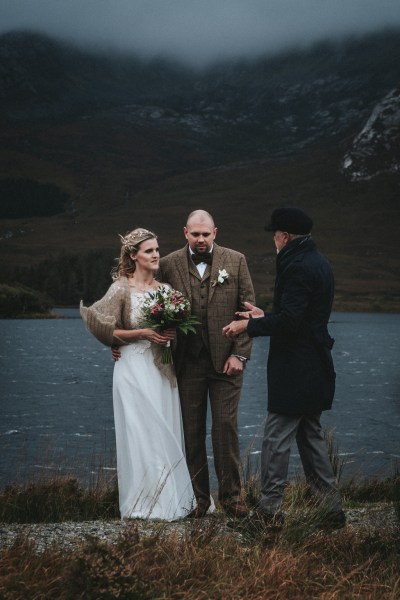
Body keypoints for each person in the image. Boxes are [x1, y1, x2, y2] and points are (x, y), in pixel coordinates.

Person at [222, 207, 345, 530]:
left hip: (297, 367)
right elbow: (298, 316)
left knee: (276, 439)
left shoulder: (299, 266)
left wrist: (245, 327)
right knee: (311, 437)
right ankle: (331, 510)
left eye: (274, 234)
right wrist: (263, 317)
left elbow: (291, 322)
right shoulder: (315, 260)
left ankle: (268, 512)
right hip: (313, 364)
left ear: (285, 237)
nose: (273, 239)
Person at [80, 228, 195, 521]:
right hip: (132, 369)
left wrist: (170, 333)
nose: (156, 255)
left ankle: (171, 502)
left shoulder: (166, 291)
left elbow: (176, 332)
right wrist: (137, 334)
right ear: (133, 256)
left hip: (161, 371)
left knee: (163, 431)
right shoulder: (121, 288)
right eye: (148, 251)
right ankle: (143, 504)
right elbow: (104, 327)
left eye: (157, 249)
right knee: (140, 434)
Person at [158, 210, 255, 518]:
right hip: (187, 363)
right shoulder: (168, 264)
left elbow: (248, 313)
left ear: (216, 233)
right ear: (185, 232)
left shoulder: (236, 260)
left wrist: (239, 354)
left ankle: (232, 499)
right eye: (195, 234)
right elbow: (153, 306)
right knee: (191, 430)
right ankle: (199, 500)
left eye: (206, 234)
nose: (201, 239)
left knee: (225, 428)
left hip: (227, 362)